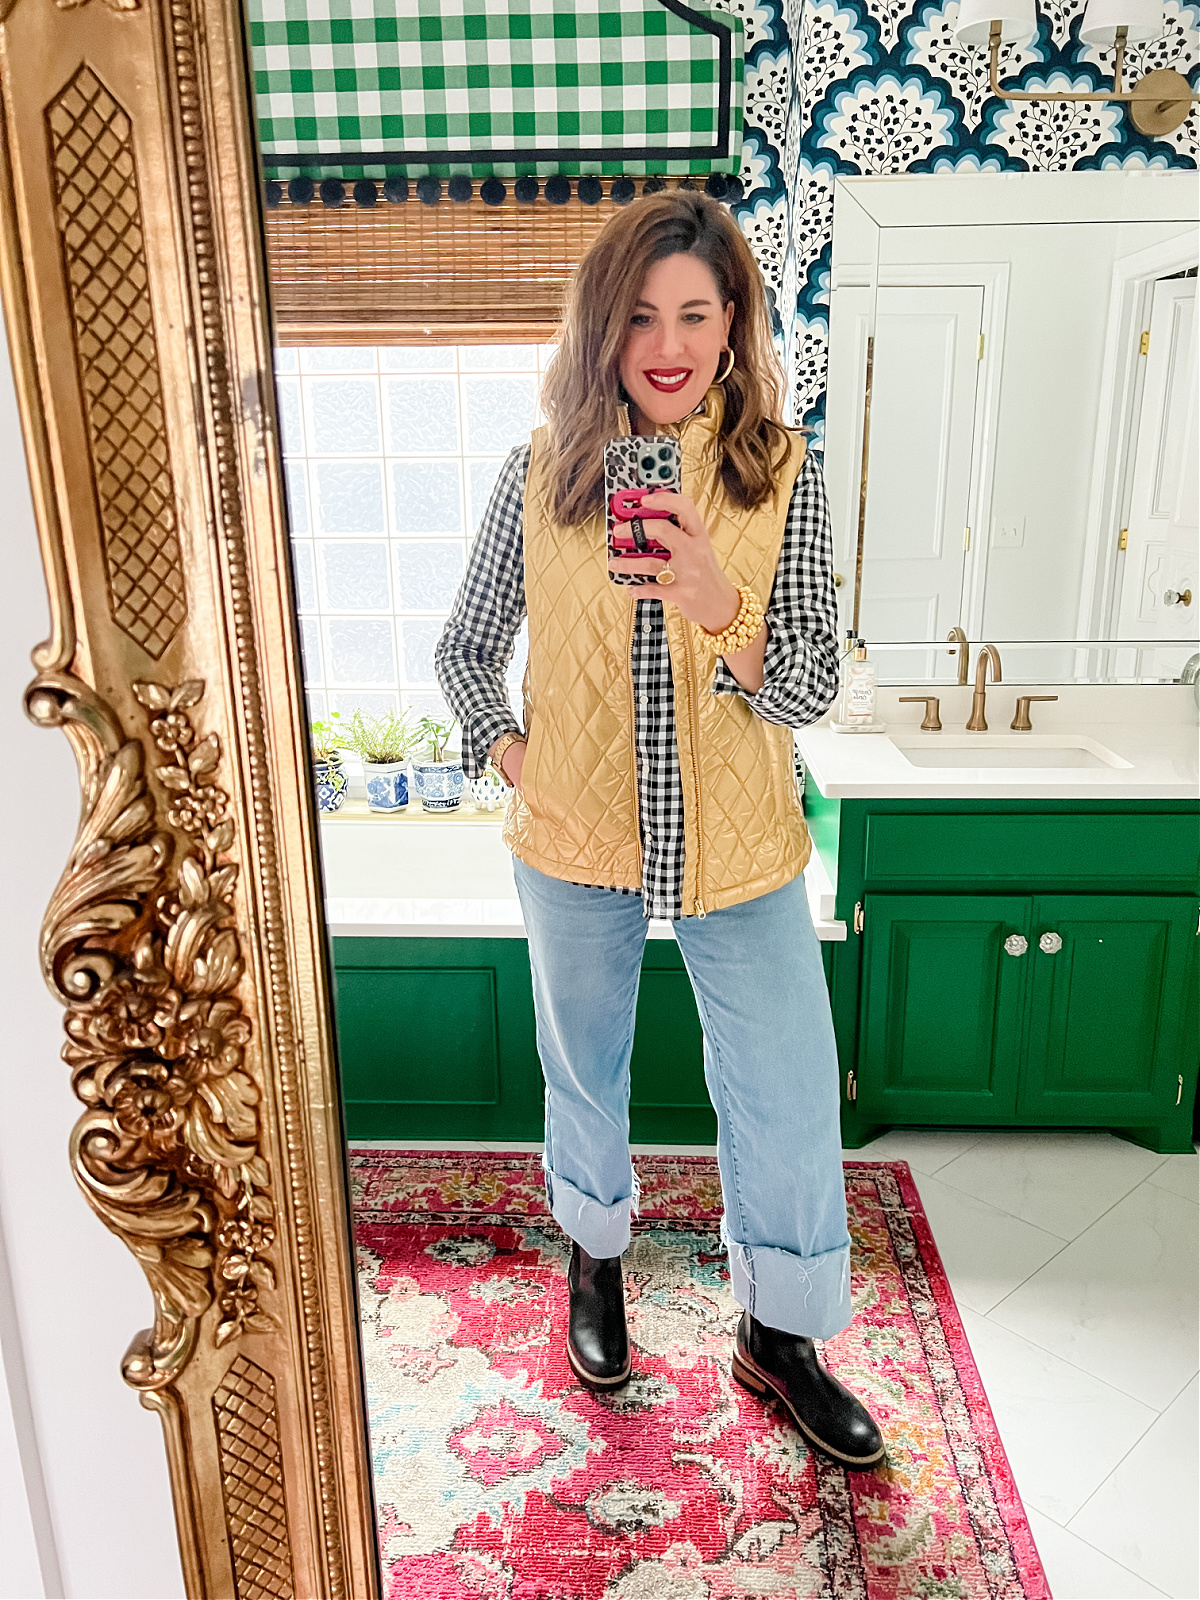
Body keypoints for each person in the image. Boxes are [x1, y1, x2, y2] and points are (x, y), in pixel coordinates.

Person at [435, 189, 884, 1469]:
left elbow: (810, 682)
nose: (669, 343)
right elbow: (465, 649)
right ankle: (595, 1266)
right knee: (585, 1067)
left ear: (735, 320)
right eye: (639, 316)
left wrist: (717, 599)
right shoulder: (539, 474)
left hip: (739, 842)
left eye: (695, 312)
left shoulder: (780, 473)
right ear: (604, 328)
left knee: (786, 1086)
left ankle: (779, 1333)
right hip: (572, 839)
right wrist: (516, 756)